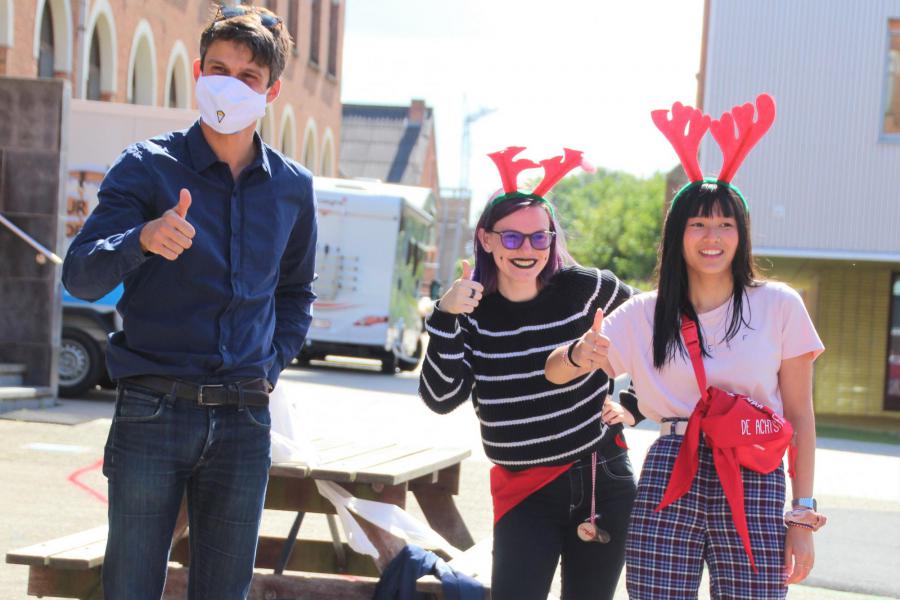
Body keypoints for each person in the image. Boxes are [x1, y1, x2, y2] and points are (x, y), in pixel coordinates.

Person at [61, 5, 316, 599]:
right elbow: (81, 275)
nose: (229, 83)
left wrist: (269, 366)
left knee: (225, 592)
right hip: (152, 409)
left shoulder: (292, 187)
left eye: (248, 76)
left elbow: (296, 291)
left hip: (245, 417)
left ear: (271, 90)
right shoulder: (146, 167)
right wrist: (142, 238)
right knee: (130, 586)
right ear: (198, 73)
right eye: (218, 68)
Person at [546, 94, 827, 599]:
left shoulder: (779, 305)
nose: (711, 236)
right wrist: (577, 355)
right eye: (698, 224)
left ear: (742, 233)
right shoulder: (645, 312)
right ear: (677, 235)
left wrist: (801, 515)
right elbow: (555, 372)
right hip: (671, 465)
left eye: (725, 223)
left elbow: (802, 418)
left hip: (753, 474)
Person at [419, 146, 639, 600]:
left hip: (599, 476)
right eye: (512, 238)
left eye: (540, 238)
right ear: (486, 239)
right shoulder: (470, 310)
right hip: (523, 490)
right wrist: (444, 317)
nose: (527, 249)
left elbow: (660, 326)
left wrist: (635, 402)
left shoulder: (587, 288)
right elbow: (440, 398)